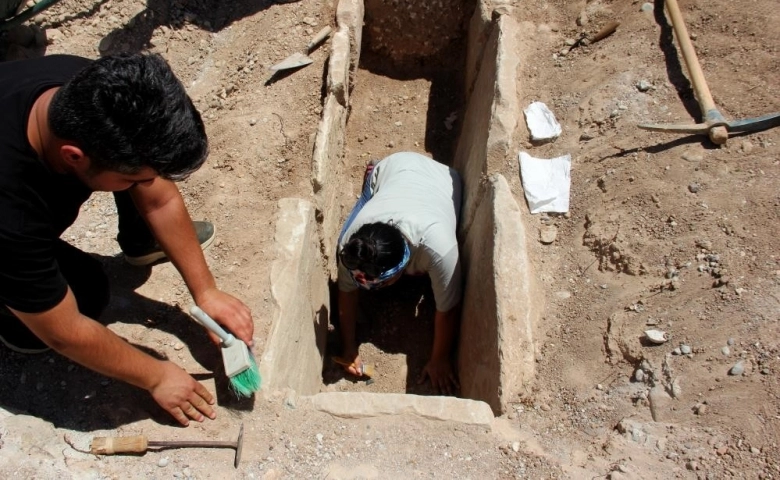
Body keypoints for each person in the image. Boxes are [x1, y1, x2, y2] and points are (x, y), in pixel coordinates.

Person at [0, 53, 254, 426]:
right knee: (86, 292)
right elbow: (65, 333)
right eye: (134, 182)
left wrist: (206, 292)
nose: (145, 188)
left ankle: (139, 238)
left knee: (133, 167)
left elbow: (160, 196)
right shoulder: (11, 216)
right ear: (72, 156)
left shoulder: (91, 88)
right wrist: (156, 375)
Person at [337, 151, 462, 394]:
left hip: (443, 179)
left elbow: (447, 309)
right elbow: (346, 291)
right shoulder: (353, 247)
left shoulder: (438, 248)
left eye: (380, 283)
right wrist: (348, 348)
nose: (371, 289)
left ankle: (376, 172)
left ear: (402, 264)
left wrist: (440, 359)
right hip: (394, 168)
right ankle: (375, 174)